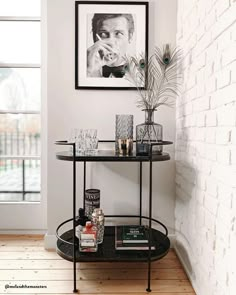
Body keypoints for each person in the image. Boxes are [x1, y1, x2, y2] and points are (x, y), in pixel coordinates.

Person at [87, 13, 135, 78]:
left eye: (118, 33)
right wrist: (88, 71)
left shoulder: (142, 74)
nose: (110, 42)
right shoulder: (84, 70)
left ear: (130, 37)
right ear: (94, 38)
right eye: (103, 34)